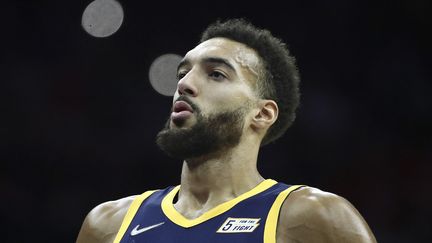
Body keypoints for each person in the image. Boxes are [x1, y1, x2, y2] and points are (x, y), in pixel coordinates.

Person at [76, 18, 377, 243]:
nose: (184, 84)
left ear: (262, 114)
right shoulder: (108, 225)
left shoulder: (313, 218)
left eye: (216, 74)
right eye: (183, 73)